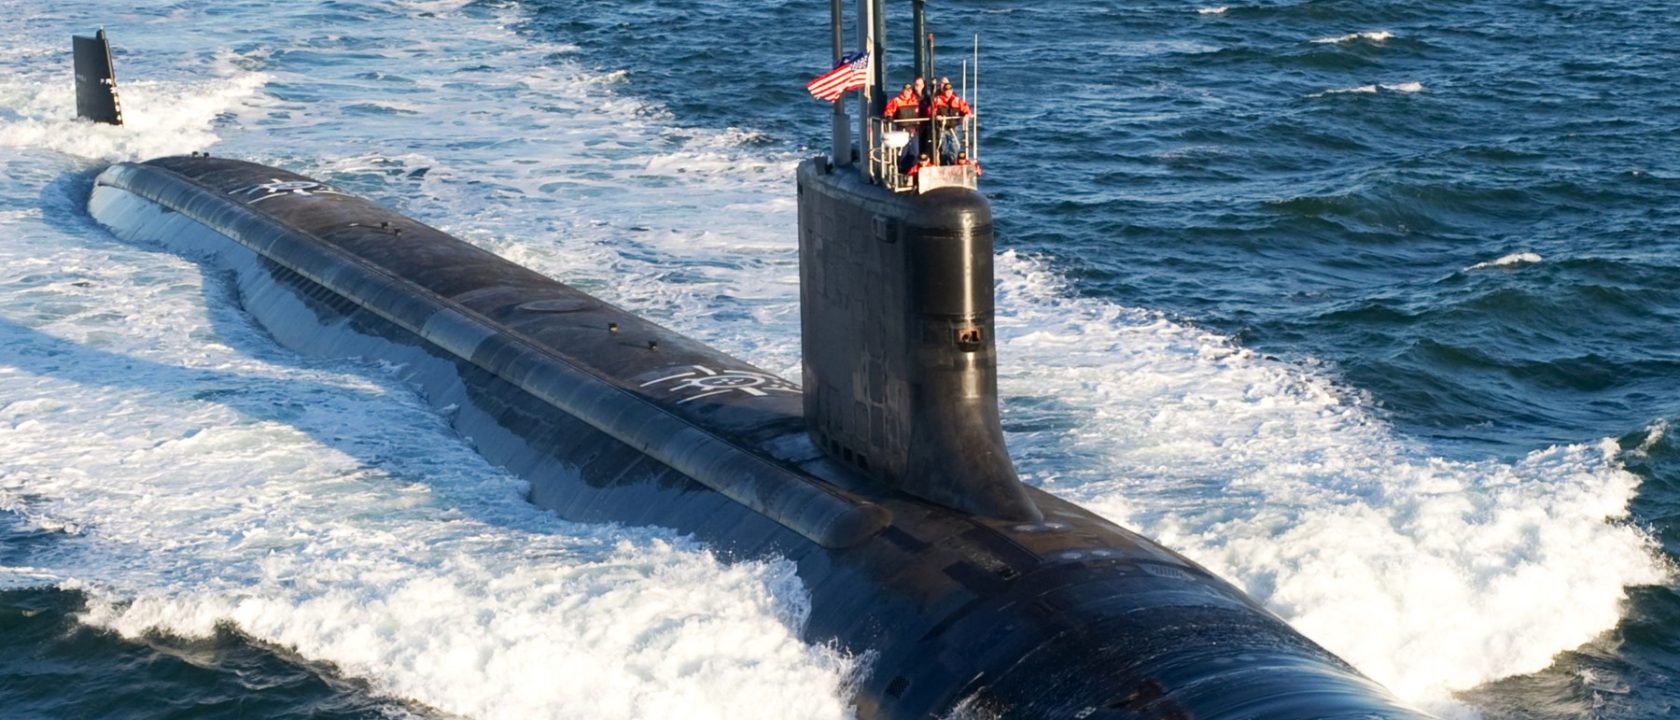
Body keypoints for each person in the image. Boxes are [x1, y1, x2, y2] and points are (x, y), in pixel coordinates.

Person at [929, 78, 972, 164]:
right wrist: (936, 116)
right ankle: (944, 164)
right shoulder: (937, 100)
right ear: (943, 91)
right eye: (946, 90)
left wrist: (967, 114)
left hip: (954, 128)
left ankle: (954, 163)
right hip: (942, 128)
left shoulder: (957, 100)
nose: (948, 92)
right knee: (943, 148)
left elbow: (966, 108)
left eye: (950, 90)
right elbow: (930, 111)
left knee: (955, 147)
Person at [882, 83, 924, 171]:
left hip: (913, 131)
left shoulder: (916, 100)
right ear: (903, 90)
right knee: (903, 153)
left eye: (909, 90)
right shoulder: (896, 100)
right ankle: (902, 171)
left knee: (915, 152)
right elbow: (889, 110)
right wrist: (889, 116)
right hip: (902, 131)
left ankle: (913, 171)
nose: (907, 92)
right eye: (905, 90)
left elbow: (923, 109)